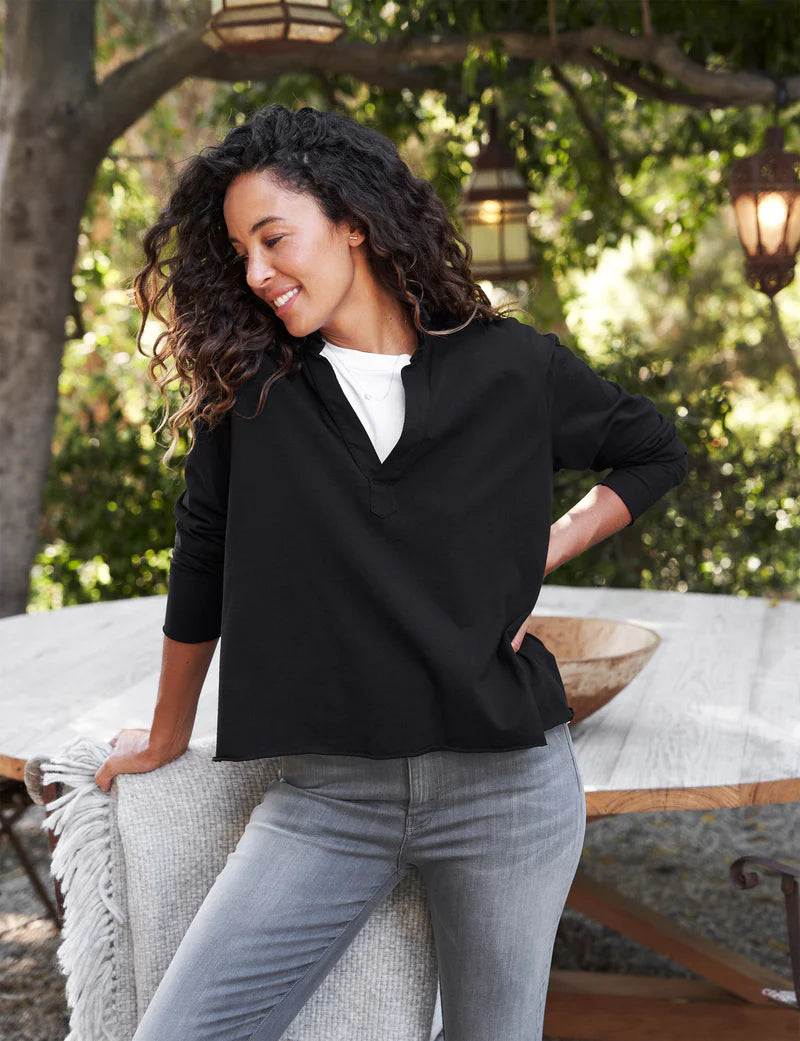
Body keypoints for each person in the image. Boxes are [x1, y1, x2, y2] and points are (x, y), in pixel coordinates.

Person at [94, 104, 688, 1041]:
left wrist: (542, 547)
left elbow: (654, 450)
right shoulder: (250, 395)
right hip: (330, 798)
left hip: (508, 789)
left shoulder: (511, 366)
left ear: (353, 222)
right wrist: (168, 731)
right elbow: (202, 552)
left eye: (274, 239)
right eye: (241, 252)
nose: (256, 273)